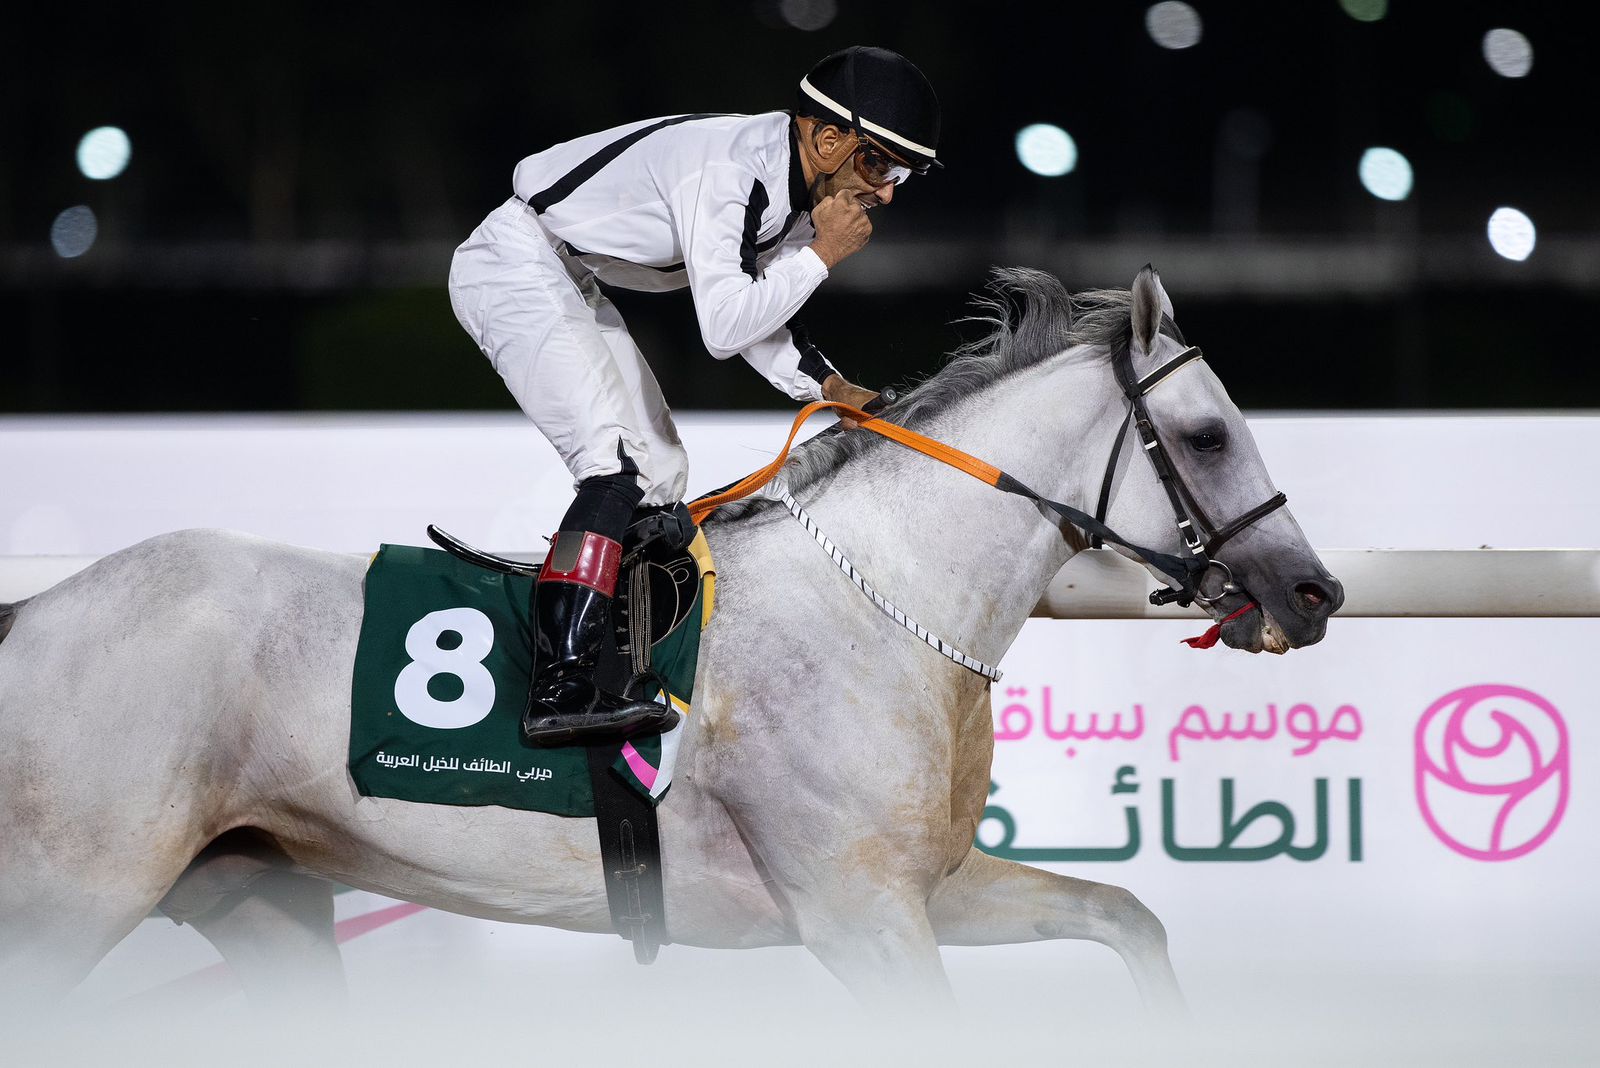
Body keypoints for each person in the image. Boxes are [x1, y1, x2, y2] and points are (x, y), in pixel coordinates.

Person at [448, 45, 941, 748]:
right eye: (880, 165)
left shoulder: (793, 185)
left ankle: (614, 658)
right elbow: (725, 326)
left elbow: (759, 314)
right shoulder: (735, 169)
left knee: (660, 475)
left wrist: (830, 386)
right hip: (513, 266)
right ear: (829, 139)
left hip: (564, 274)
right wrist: (822, 256)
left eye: (902, 175)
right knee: (615, 466)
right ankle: (559, 688)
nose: (887, 192)